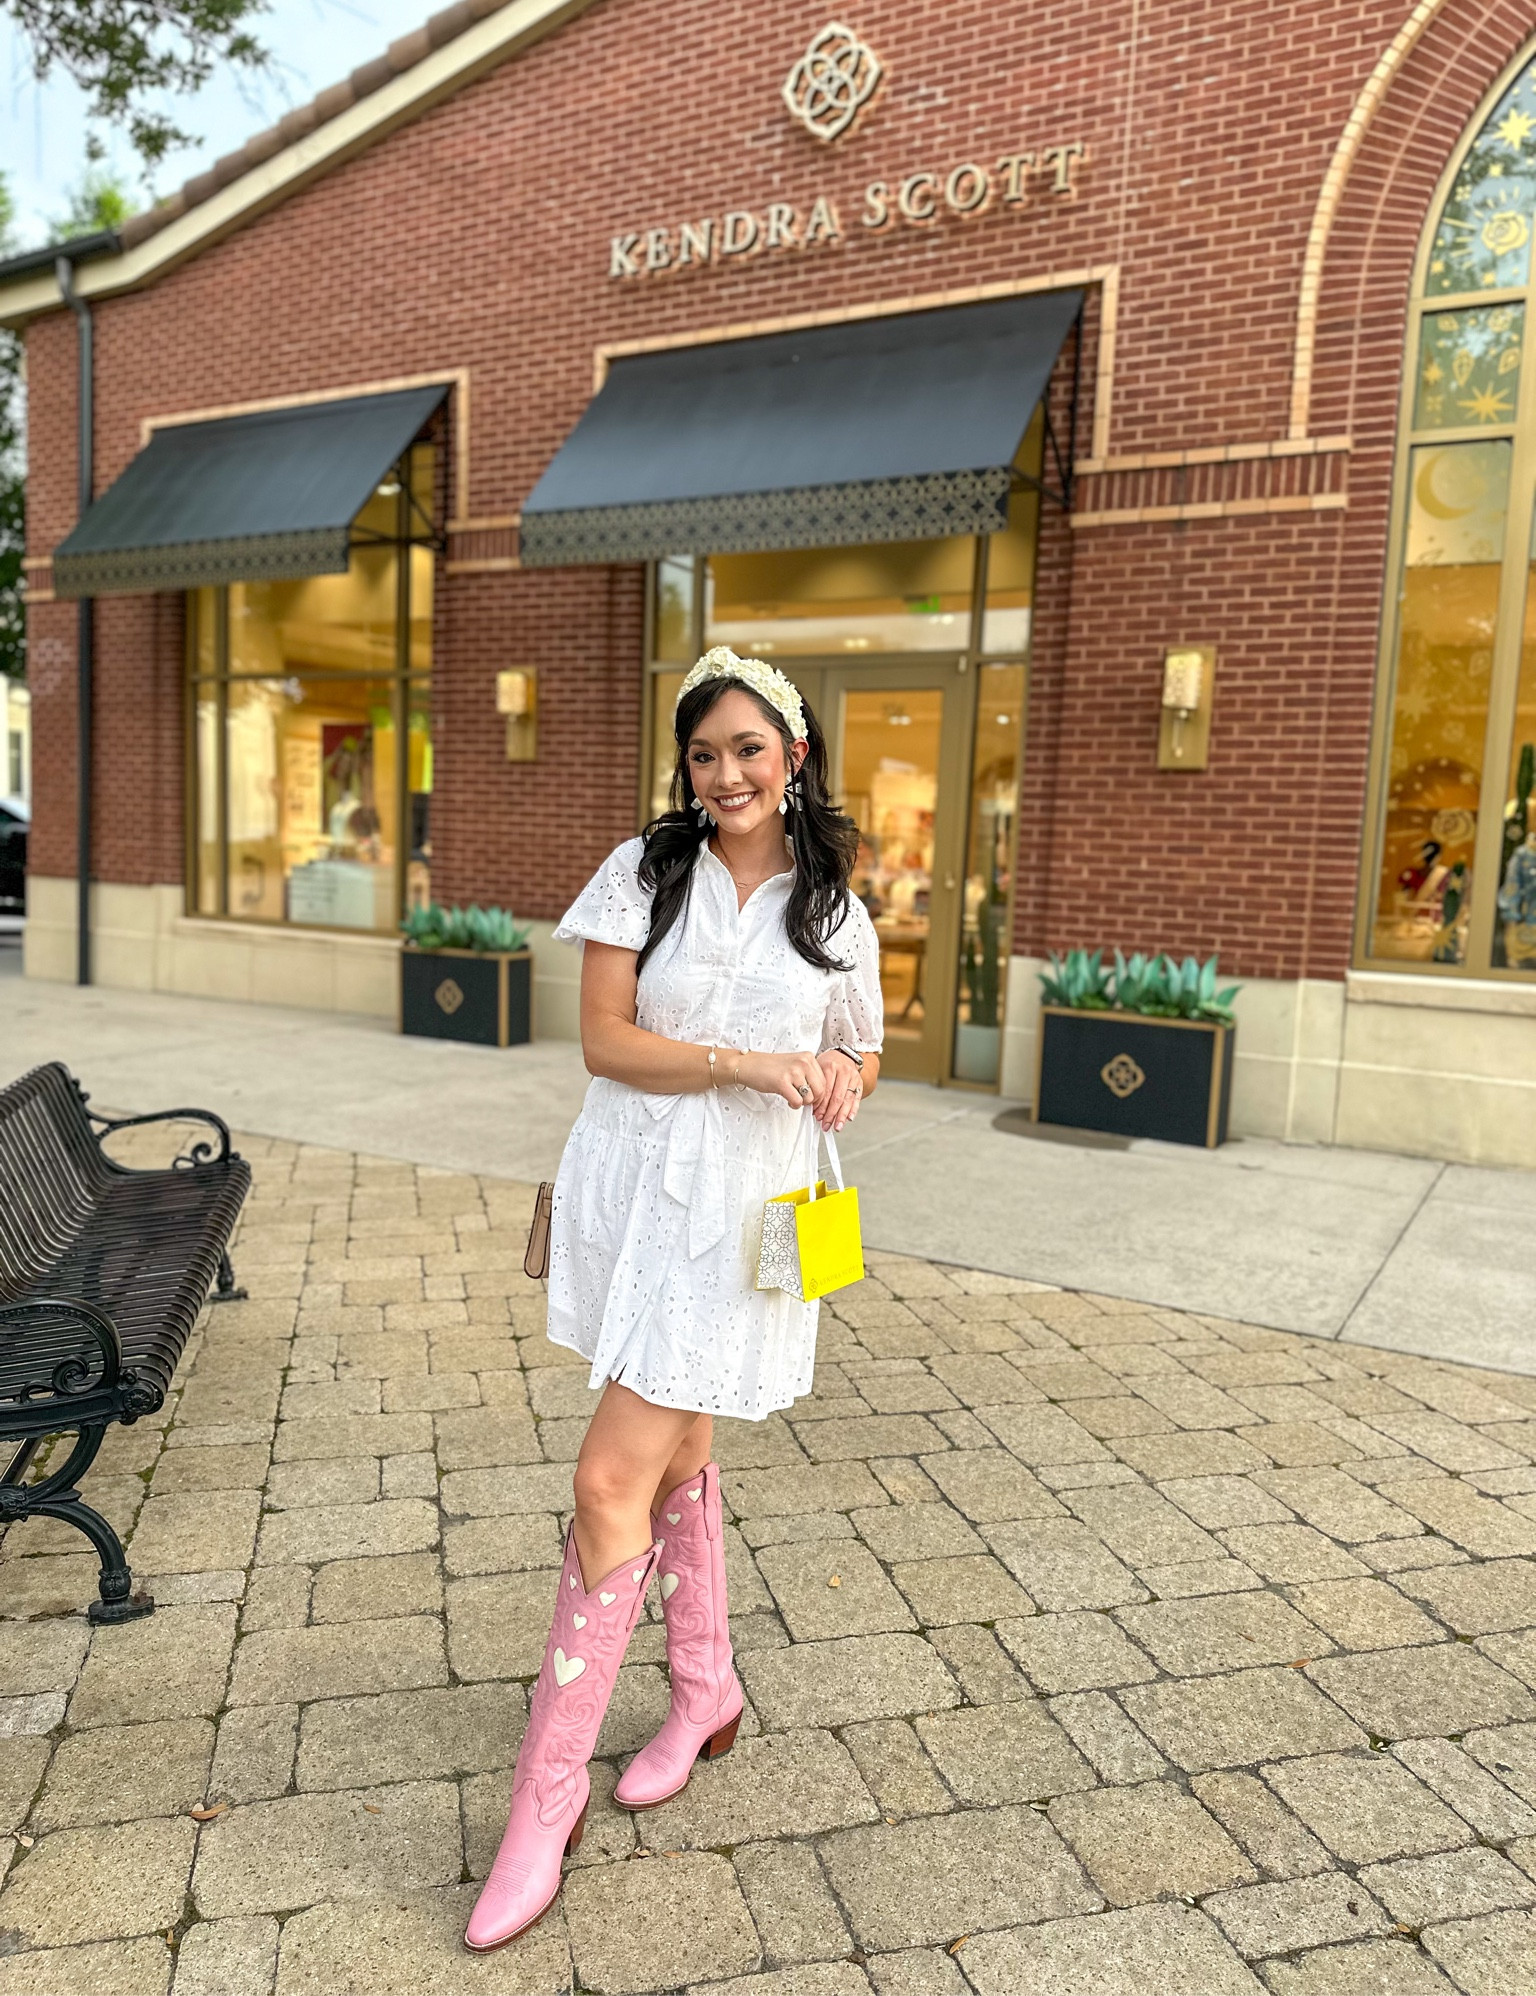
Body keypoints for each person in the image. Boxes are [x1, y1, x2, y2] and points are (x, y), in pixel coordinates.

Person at [464, 644, 883, 1953]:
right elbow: (606, 1042)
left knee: (609, 1483)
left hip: (753, 1215)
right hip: (632, 1194)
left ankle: (548, 1804)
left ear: (795, 756)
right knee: (669, 1443)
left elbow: (863, 1043)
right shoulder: (643, 875)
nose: (727, 773)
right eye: (705, 753)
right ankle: (701, 1686)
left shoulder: (834, 910)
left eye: (750, 749)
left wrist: (840, 1078)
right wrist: (754, 1061)